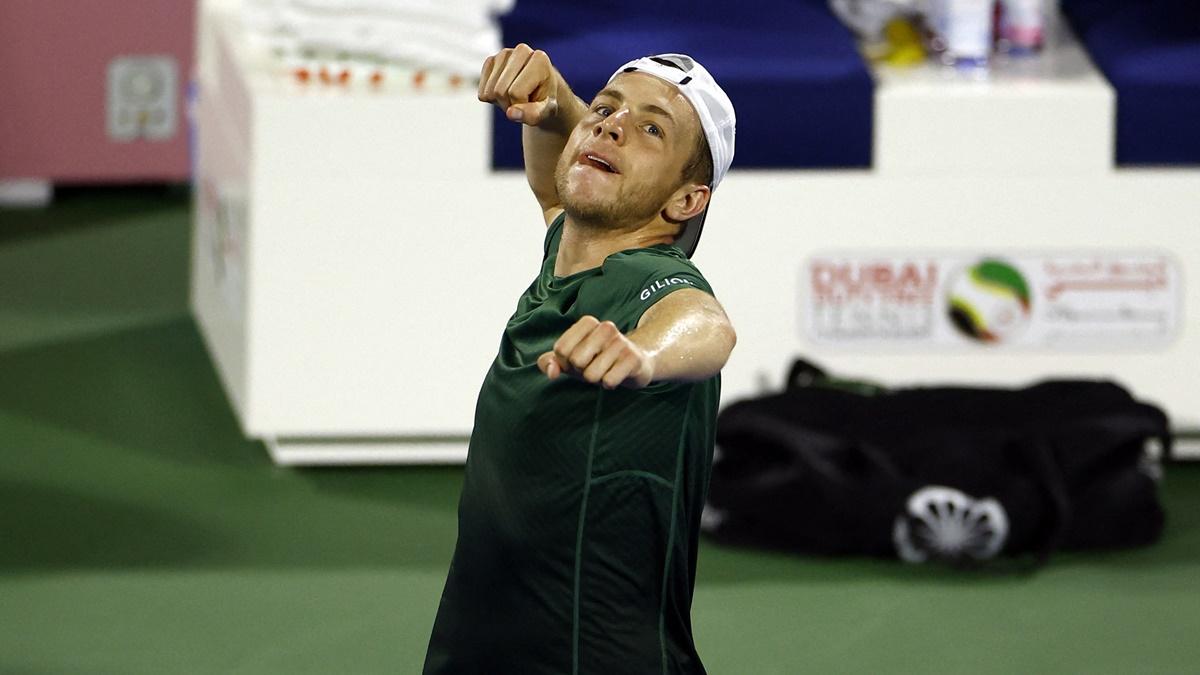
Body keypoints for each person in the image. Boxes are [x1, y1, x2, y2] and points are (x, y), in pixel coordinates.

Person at [423, 44, 737, 675]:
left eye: (652, 129)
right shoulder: (564, 263)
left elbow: (705, 324)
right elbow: (559, 176)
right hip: (482, 648)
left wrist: (644, 353)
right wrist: (554, 105)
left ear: (685, 202)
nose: (612, 125)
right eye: (605, 109)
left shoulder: (647, 275)